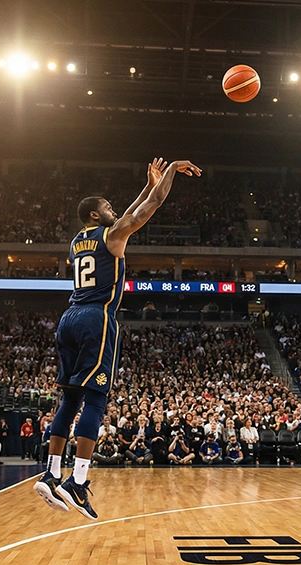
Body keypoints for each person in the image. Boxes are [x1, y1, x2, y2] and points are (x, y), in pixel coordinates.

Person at [35, 157, 201, 520]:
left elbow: (131, 209)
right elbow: (150, 207)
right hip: (97, 318)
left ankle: (51, 473)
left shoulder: (79, 241)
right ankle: (77, 482)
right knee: (96, 399)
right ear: (96, 216)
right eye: (107, 207)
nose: (114, 210)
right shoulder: (112, 235)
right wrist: (171, 171)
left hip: (69, 318)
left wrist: (148, 183)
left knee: (70, 398)